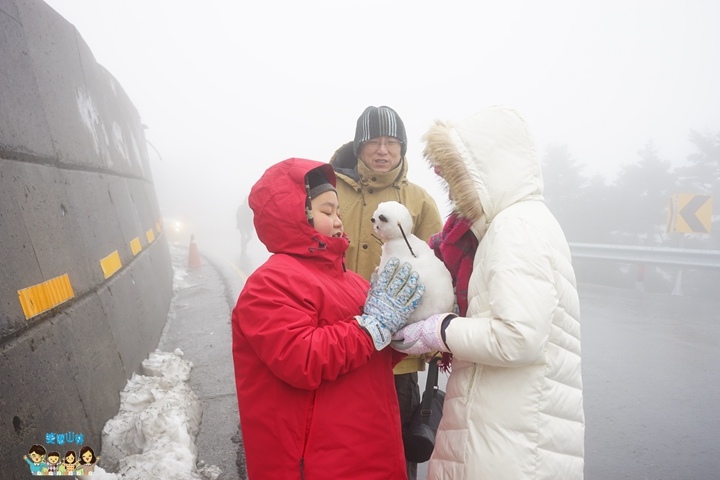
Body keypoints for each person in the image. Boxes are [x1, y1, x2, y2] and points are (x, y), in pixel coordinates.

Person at [392, 106, 585, 479]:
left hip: (509, 443)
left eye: (455, 175)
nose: (449, 187)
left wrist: (438, 330)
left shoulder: (517, 228)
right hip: (504, 429)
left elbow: (517, 337)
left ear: (485, 170)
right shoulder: (513, 224)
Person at [231, 157, 425, 480]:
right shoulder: (269, 284)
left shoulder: (349, 280)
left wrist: (407, 335)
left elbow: (372, 353)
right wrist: (373, 327)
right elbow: (302, 358)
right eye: (326, 211)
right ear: (297, 214)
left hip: (371, 451)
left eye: (338, 212)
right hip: (323, 464)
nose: (338, 221)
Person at [330, 106, 442, 480]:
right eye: (374, 141)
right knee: (340, 447)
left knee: (395, 452)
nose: (383, 150)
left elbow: (440, 271)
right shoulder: (331, 191)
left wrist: (433, 334)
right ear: (359, 146)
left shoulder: (420, 201)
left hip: (399, 355)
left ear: (402, 147)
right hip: (339, 340)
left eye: (391, 142)